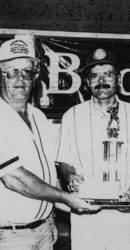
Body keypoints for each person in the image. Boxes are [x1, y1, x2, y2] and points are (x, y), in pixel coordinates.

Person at [0, 35, 100, 250]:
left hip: (43, 229)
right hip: (9, 235)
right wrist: (67, 199)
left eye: (27, 71)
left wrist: (51, 216)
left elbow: (47, 171)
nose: (20, 79)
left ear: (35, 77)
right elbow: (14, 179)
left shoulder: (39, 117)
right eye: (11, 71)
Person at [55, 48, 130, 250]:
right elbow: (64, 161)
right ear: (87, 82)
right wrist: (70, 177)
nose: (101, 80)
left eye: (108, 74)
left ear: (118, 79)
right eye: (94, 76)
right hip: (86, 210)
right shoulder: (72, 115)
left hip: (124, 212)